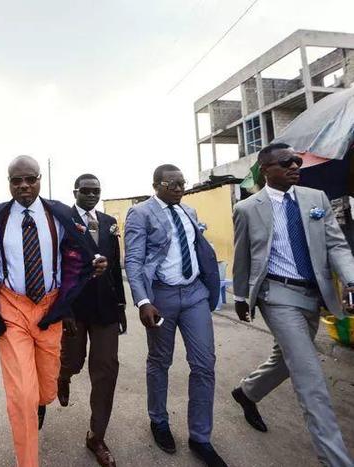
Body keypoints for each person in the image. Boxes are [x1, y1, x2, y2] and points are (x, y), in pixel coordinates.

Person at [0, 155, 107, 467]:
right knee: (21, 396)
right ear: (9, 183)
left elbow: (80, 250)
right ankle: (27, 458)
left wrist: (94, 263)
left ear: (40, 179)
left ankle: (41, 400)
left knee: (46, 387)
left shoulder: (59, 213)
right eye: (17, 181)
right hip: (11, 307)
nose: (24, 186)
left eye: (31, 179)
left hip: (49, 309)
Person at [231, 143, 354, 467]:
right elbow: (242, 256)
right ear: (265, 170)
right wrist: (241, 297)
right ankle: (336, 460)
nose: (295, 166)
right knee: (310, 377)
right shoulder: (248, 208)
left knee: (287, 361)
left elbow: (336, 245)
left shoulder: (316, 199)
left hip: (313, 295)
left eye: (297, 161)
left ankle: (247, 392)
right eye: (286, 162)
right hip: (276, 295)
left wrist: (351, 280)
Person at [123, 164, 223, 467]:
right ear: (156, 185)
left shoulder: (188, 212)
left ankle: (200, 437)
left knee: (204, 364)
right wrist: (143, 301)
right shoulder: (140, 213)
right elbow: (134, 260)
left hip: (194, 294)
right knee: (159, 361)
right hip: (161, 297)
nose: (180, 189)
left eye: (182, 183)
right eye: (173, 184)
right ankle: (159, 421)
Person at [57, 173, 126, 467]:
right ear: (75, 192)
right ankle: (63, 376)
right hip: (75, 307)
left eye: (96, 191)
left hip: (106, 308)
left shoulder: (109, 222)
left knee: (106, 369)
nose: (91, 195)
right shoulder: (63, 220)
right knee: (73, 361)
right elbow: (56, 268)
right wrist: (63, 310)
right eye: (85, 190)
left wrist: (121, 305)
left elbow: (115, 267)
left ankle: (96, 436)